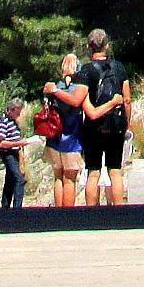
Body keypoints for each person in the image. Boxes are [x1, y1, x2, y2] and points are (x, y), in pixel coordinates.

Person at [74, 29, 132, 207]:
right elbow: (127, 99)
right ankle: (119, 209)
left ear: (88, 47)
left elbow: (81, 99)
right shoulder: (119, 68)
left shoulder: (85, 71)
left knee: (93, 172)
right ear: (107, 45)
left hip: (93, 126)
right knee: (115, 170)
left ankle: (92, 212)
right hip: (116, 123)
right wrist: (126, 124)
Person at [41, 53, 93, 208]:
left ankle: (58, 211)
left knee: (58, 176)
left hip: (54, 136)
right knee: (70, 178)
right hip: (71, 137)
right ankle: (67, 215)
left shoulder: (53, 86)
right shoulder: (77, 88)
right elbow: (76, 103)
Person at [0, 99, 29, 211]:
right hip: (8, 153)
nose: (19, 114)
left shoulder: (13, 121)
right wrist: (19, 143)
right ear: (11, 110)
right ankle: (17, 209)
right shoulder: (3, 121)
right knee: (19, 179)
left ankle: (5, 207)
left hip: (15, 152)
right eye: (17, 112)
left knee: (10, 179)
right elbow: (1, 143)